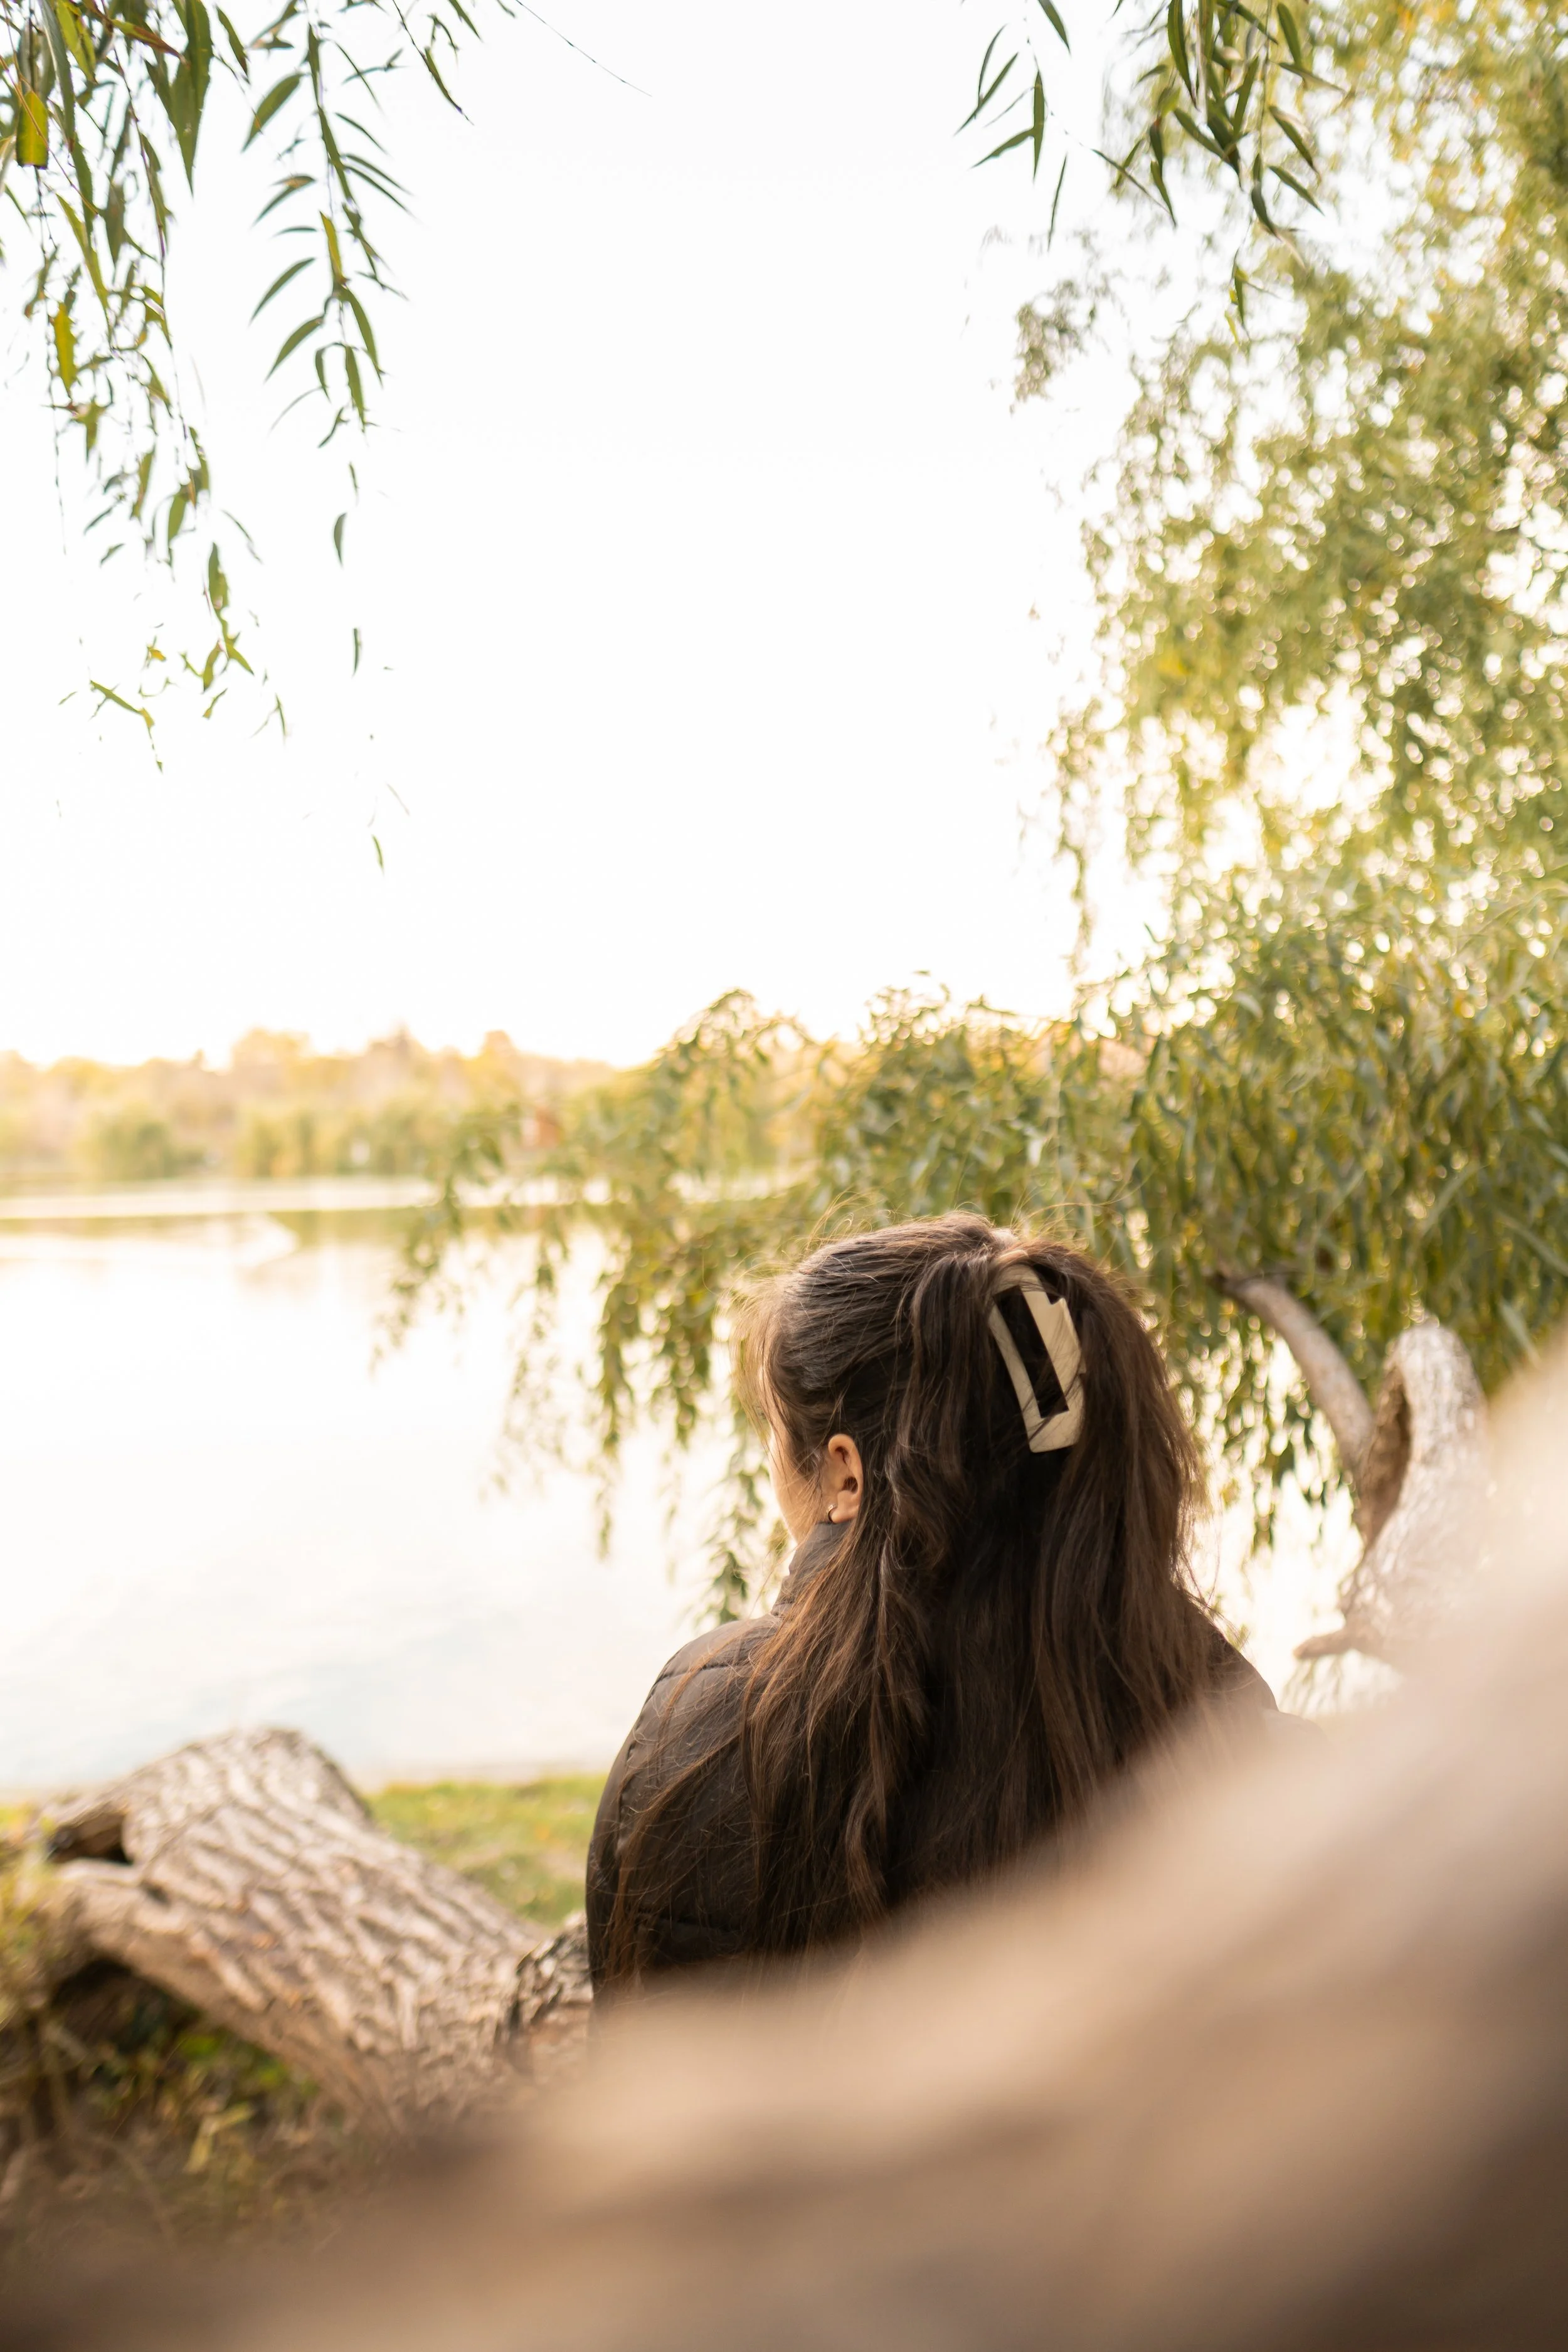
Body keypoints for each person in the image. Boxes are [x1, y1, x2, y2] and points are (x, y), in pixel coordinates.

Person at [587, 1213, 1280, 1991]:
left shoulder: (714, 1725)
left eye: (775, 1432)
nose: (770, 1460)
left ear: (845, 1474)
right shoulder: (1216, 1713)